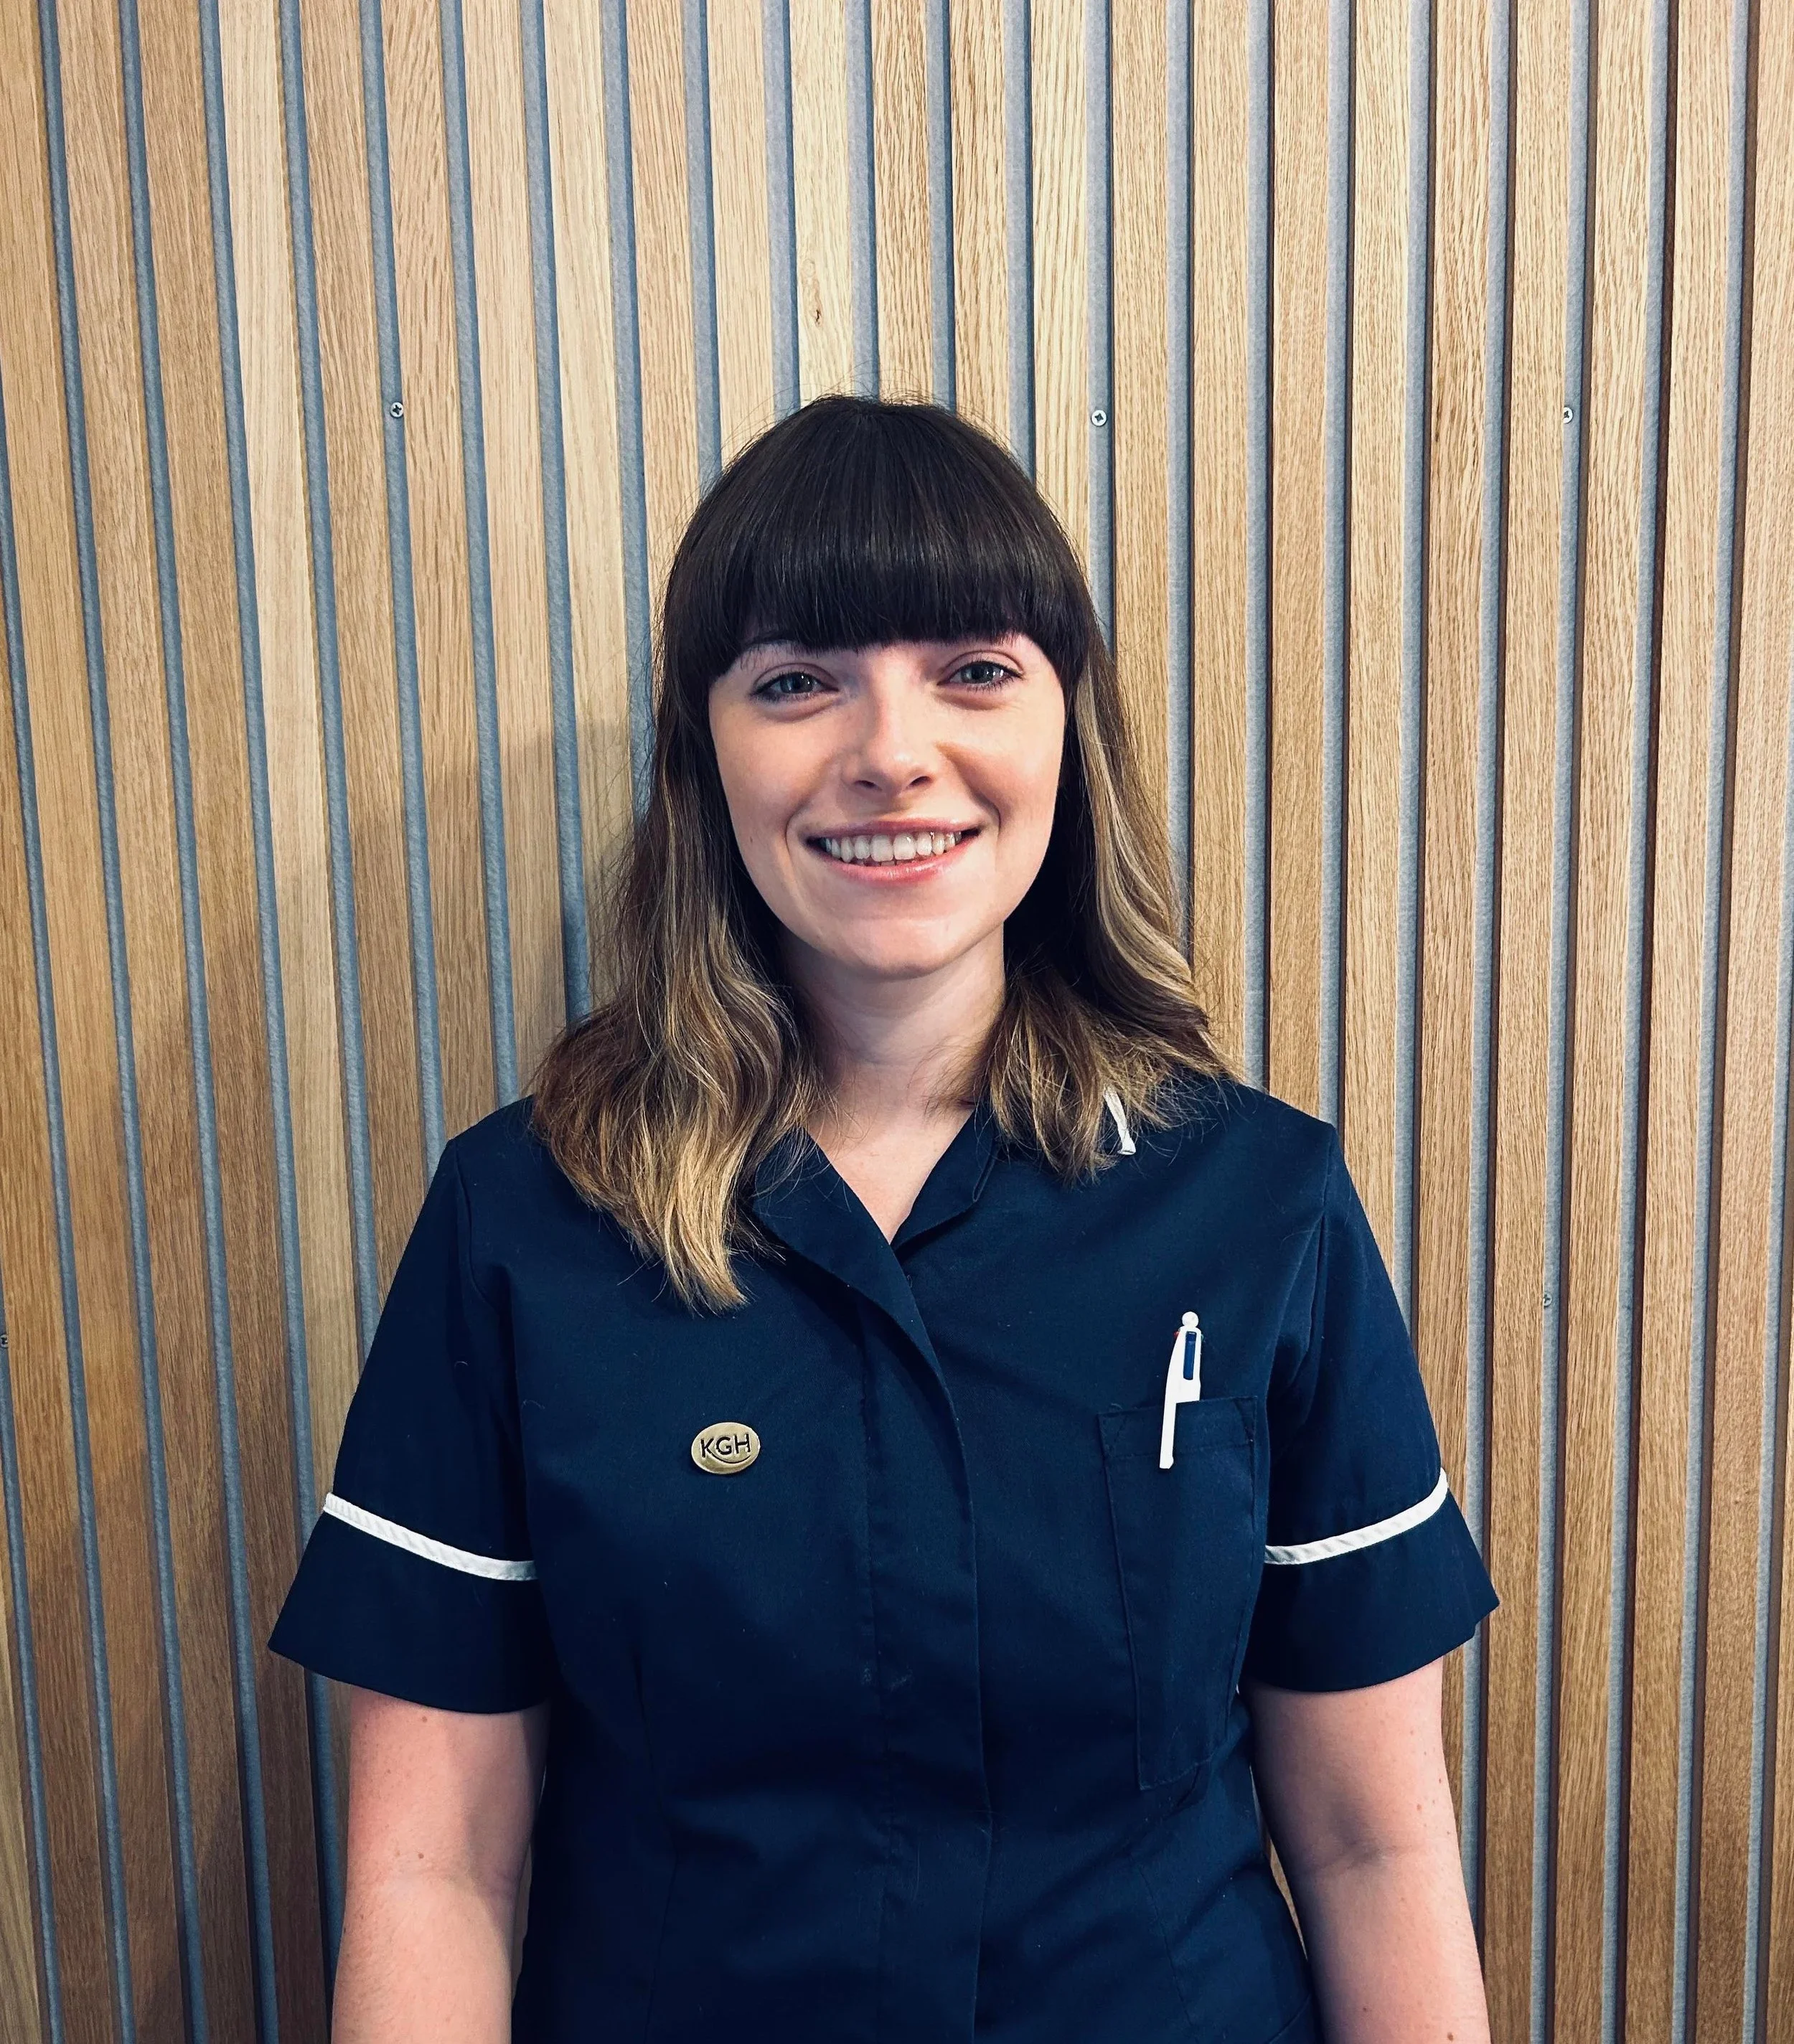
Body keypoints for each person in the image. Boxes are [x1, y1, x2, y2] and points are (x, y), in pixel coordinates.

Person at [271, 395, 1498, 2043]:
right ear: (704, 754)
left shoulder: (1255, 1206)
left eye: (972, 669)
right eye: (796, 680)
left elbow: (1370, 1837)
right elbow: (439, 1871)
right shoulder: (525, 1222)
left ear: (1066, 721)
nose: (890, 749)